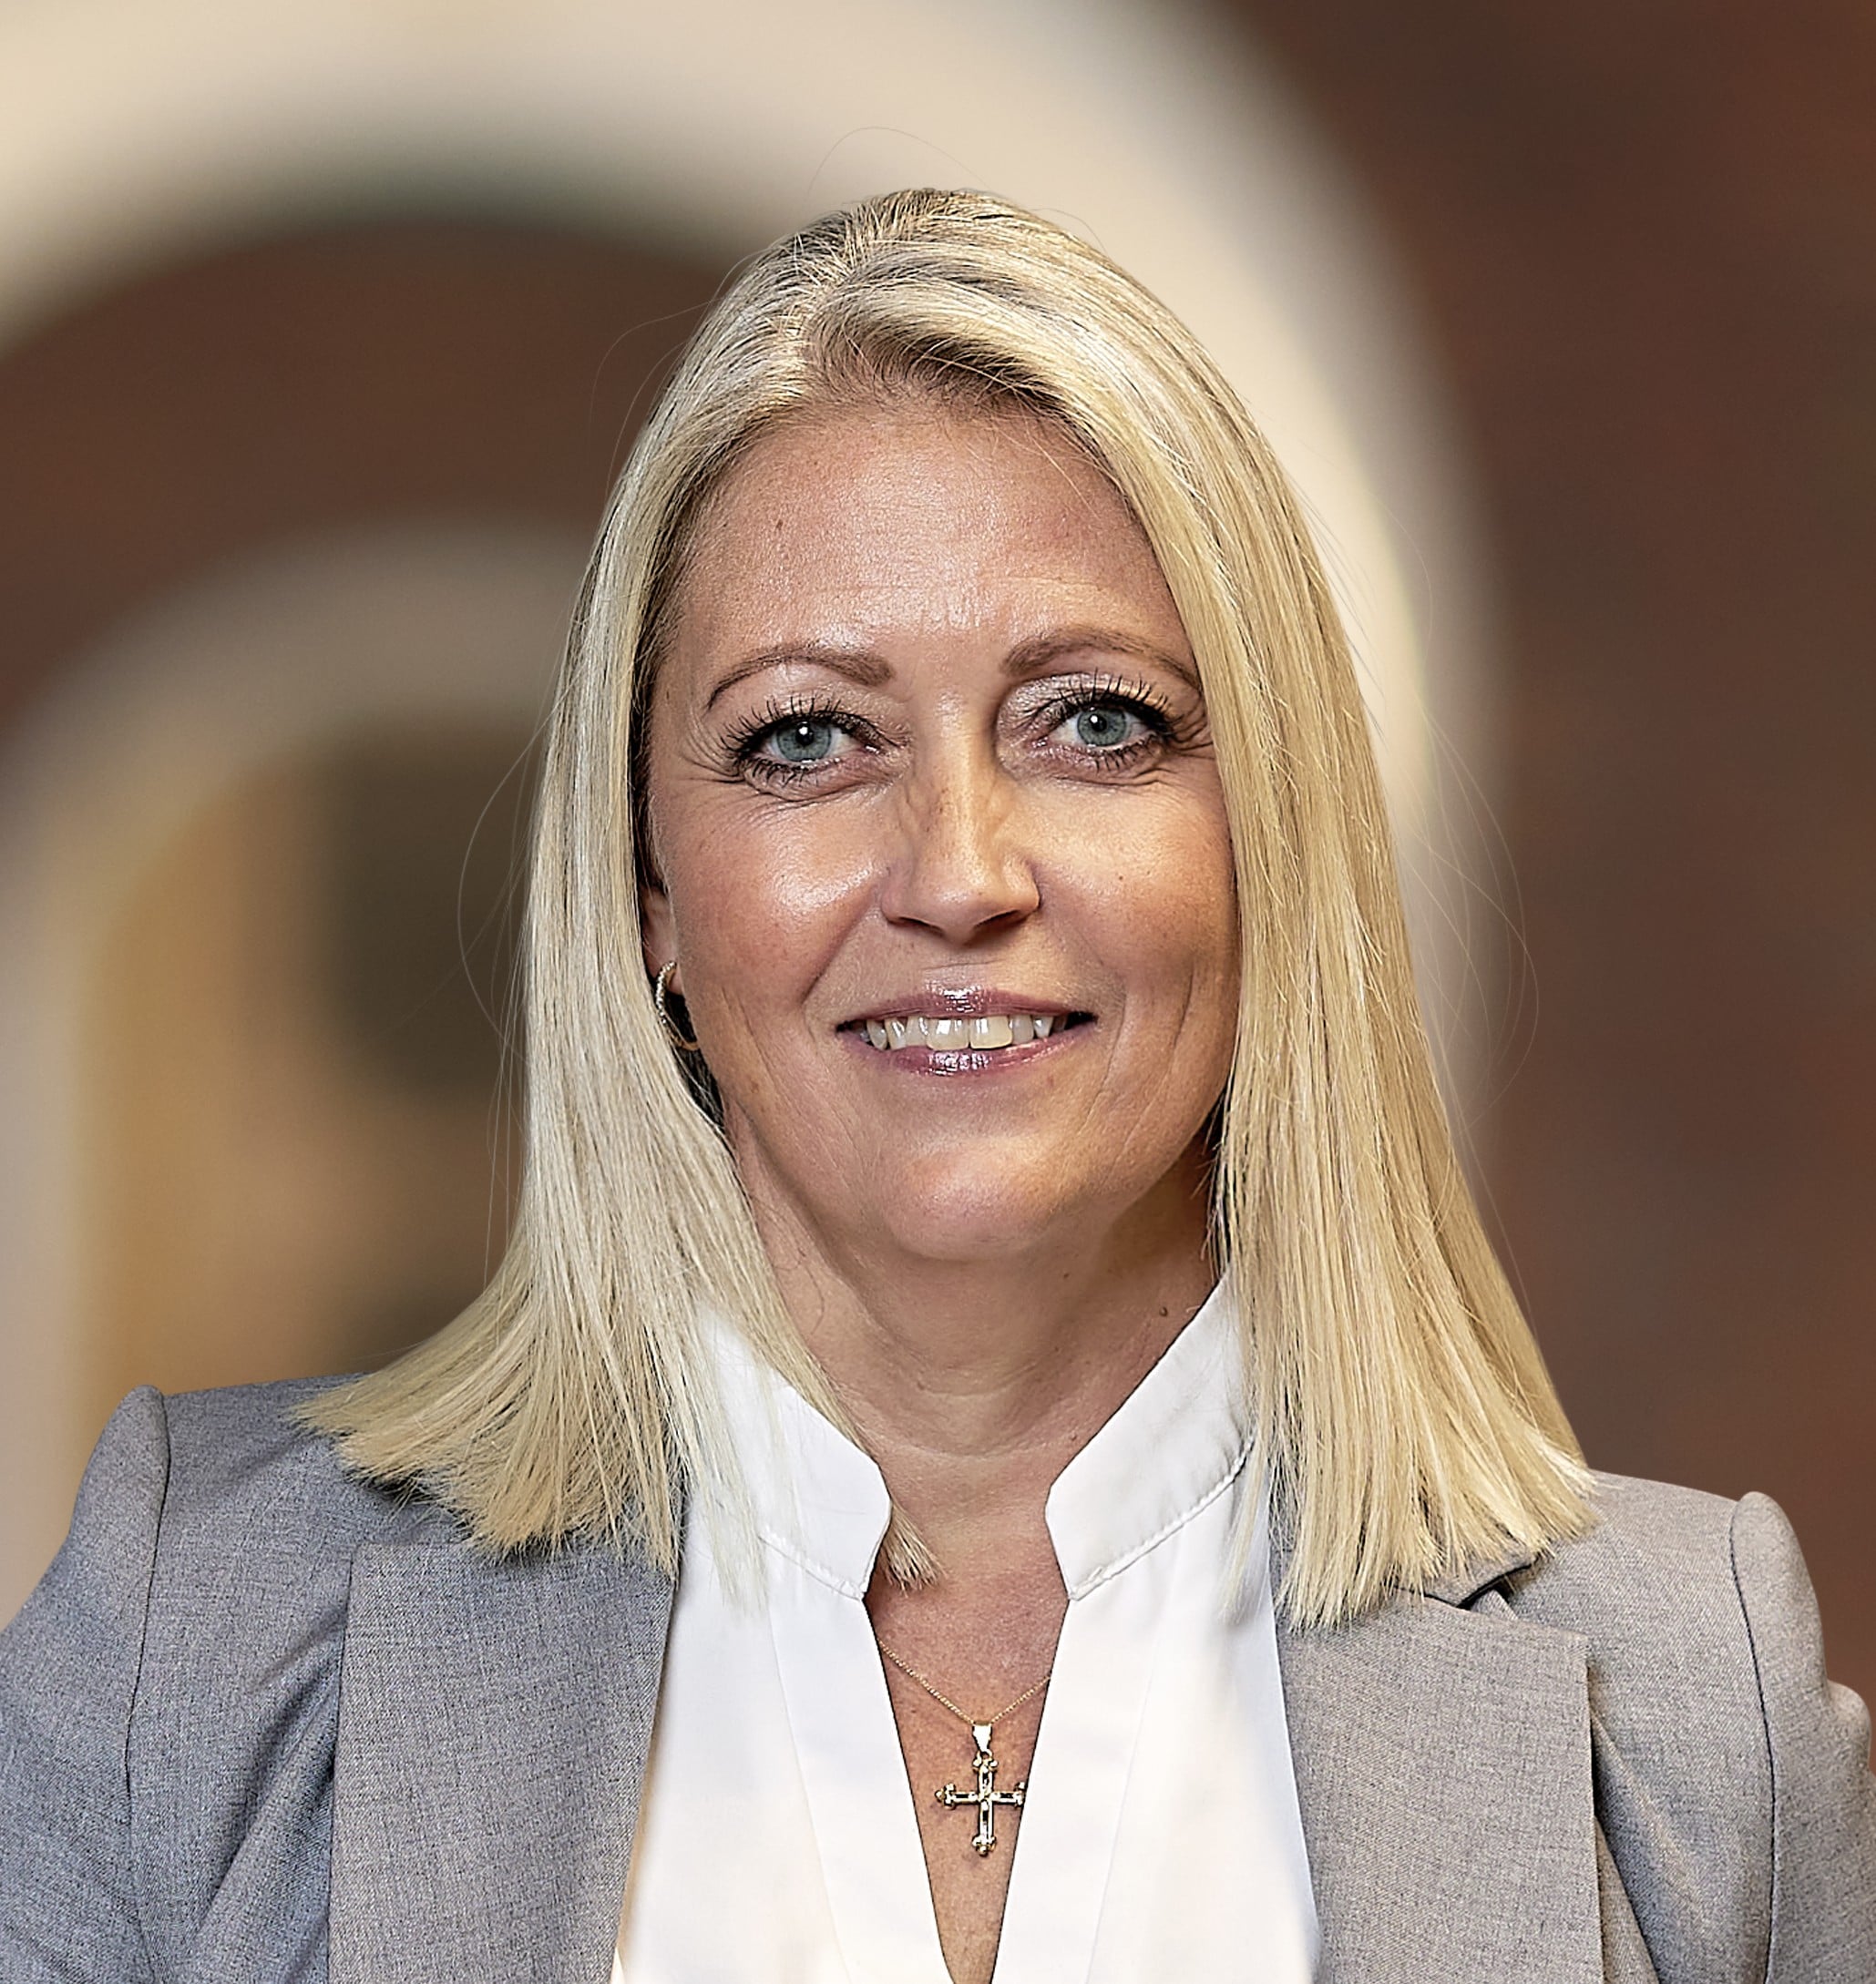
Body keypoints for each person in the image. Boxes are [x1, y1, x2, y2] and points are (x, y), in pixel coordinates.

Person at [2, 189, 1870, 1984]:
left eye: (1096, 722)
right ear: (647, 887)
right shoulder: (204, 1638)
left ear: (1267, 841)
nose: (961, 870)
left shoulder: (1693, 1702)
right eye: (807, 738)